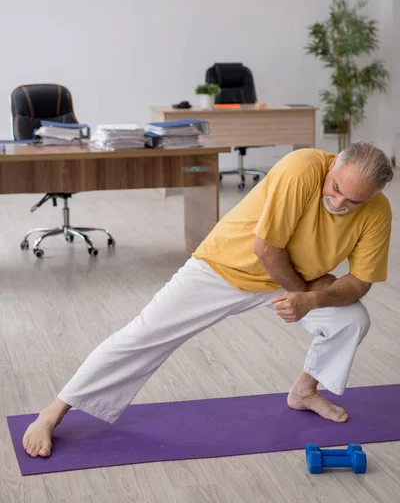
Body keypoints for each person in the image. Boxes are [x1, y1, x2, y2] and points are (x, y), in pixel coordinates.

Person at [23, 141, 393, 458]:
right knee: (144, 334)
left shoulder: (378, 213)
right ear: (332, 165)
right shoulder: (302, 167)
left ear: (373, 196)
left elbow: (361, 281)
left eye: (353, 200)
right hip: (224, 267)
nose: (339, 201)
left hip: (292, 282)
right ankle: (52, 413)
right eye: (336, 187)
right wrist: (304, 293)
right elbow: (266, 248)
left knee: (352, 319)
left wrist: (312, 300)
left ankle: (304, 392)